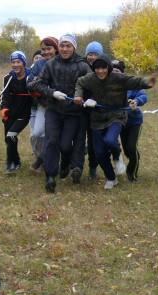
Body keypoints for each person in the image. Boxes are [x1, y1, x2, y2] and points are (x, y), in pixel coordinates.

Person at [74, 54, 156, 190]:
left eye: (103, 68)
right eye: (97, 68)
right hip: (97, 118)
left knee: (110, 140)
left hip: (117, 115)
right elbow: (80, 82)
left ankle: (117, 156)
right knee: (99, 152)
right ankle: (111, 177)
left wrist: (147, 83)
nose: (100, 71)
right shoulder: (91, 79)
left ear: (108, 67)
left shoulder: (118, 78)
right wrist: (78, 95)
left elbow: (134, 81)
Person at [29, 33, 91, 193]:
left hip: (73, 112)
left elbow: (92, 85)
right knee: (51, 142)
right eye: (62, 45)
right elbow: (37, 84)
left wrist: (87, 99)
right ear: (59, 47)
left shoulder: (82, 65)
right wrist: (52, 93)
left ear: (74, 47)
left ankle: (66, 163)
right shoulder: (50, 64)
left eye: (68, 46)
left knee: (65, 144)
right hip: (54, 110)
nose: (64, 49)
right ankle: (50, 177)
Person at [112, 59, 148, 182]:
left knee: (131, 147)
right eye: (112, 71)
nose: (115, 74)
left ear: (122, 72)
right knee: (127, 150)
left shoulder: (131, 83)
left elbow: (143, 95)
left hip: (134, 122)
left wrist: (136, 101)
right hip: (121, 122)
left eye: (117, 71)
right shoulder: (109, 85)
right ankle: (130, 163)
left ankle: (132, 174)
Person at [27, 36, 59, 173]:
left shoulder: (61, 62)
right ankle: (42, 157)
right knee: (37, 133)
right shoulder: (39, 64)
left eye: (49, 49)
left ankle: (47, 161)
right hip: (43, 105)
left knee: (54, 136)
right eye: (43, 49)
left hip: (59, 106)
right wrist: (38, 89)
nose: (46, 52)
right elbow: (31, 82)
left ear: (56, 49)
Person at [0, 51, 32, 174]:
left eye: (18, 62)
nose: (15, 65)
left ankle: (10, 163)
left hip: (24, 114)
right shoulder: (9, 77)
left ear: (23, 63)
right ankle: (16, 161)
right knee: (8, 139)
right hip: (10, 113)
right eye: (13, 62)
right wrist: (3, 108)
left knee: (11, 135)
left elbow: (38, 91)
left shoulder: (30, 77)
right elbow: (4, 95)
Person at [83, 41, 105, 179]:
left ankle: (92, 168)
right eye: (90, 54)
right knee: (78, 139)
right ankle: (74, 165)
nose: (92, 57)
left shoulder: (103, 69)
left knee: (93, 142)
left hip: (96, 112)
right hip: (81, 109)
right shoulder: (81, 66)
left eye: (95, 54)